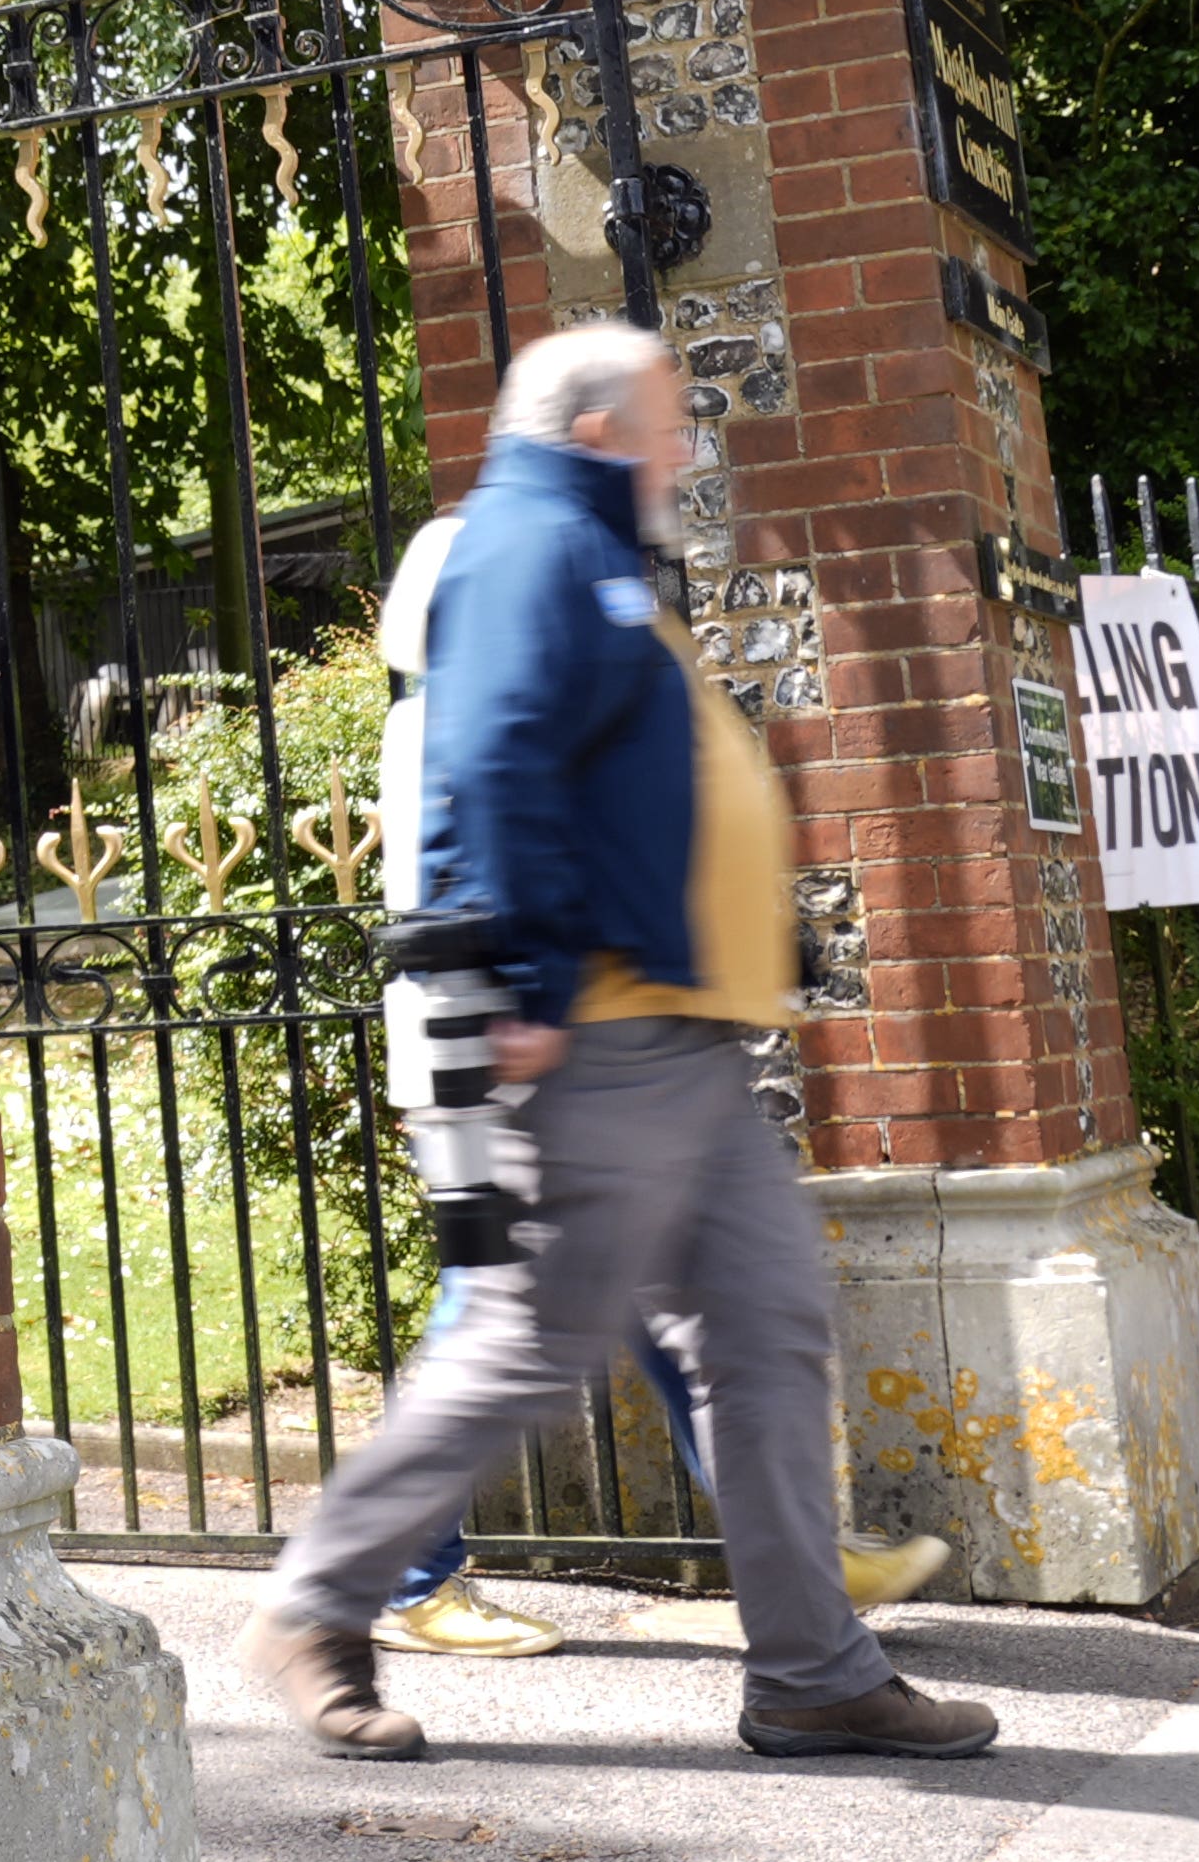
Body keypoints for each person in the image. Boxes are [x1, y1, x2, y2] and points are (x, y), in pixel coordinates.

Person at [235, 324, 997, 1761]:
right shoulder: (528, 544)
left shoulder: (593, 560)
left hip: (688, 1039)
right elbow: (495, 758)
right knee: (531, 1338)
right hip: (600, 1027)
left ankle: (814, 1672)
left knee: (767, 1336)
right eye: (670, 424)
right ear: (593, 430)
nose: (691, 450)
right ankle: (316, 1604)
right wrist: (521, 985)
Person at [349, 506, 952, 1662]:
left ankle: (800, 1547)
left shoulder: (487, 703)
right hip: (503, 1066)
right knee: (491, 1312)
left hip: (569, 1060)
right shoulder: (449, 718)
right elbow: (479, 898)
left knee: (682, 1320)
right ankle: (398, 1580)